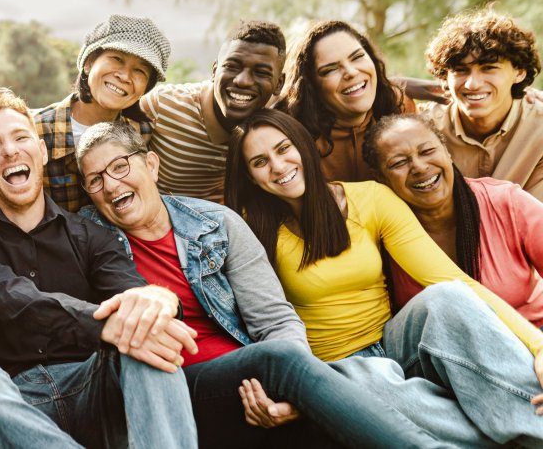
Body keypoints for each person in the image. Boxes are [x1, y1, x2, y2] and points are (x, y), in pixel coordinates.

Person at [74, 120, 443, 448]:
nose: (110, 186)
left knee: (322, 428)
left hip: (249, 385)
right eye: (95, 180)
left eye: (120, 167)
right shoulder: (87, 238)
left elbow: (275, 320)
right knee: (284, 362)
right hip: (166, 390)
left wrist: (287, 399)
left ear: (151, 165)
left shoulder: (217, 223)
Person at [224, 108, 543, 444]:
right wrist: (296, 387)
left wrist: (538, 346)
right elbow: (261, 321)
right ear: (249, 176)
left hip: (396, 342)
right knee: (374, 382)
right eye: (259, 162)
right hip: (334, 367)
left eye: (283, 148)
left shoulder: (371, 198)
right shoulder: (250, 229)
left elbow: (450, 279)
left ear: (302, 145)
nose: (278, 166)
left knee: (447, 297)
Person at [0, 91, 197, 448]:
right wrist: (106, 325)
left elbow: (133, 292)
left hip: (92, 386)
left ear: (41, 152)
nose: (11, 151)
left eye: (20, 137)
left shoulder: (91, 235)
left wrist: (157, 300)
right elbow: (9, 296)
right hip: (11, 399)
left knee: (144, 335)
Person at [363, 113, 543, 325]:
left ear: (447, 152)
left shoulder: (505, 201)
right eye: (399, 162)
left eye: (428, 151)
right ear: (381, 178)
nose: (419, 167)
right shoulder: (377, 234)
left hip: (532, 337)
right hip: (441, 353)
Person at [34, 14, 170, 212]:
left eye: (140, 71)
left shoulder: (142, 132)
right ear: (88, 63)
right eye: (117, 59)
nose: (124, 76)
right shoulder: (36, 129)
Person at [139, 20, 285, 203]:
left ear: (279, 83)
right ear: (215, 71)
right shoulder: (162, 106)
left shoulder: (276, 131)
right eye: (232, 66)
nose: (243, 81)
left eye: (261, 72)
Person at [421, 9, 543, 201]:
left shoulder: (538, 128)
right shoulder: (424, 128)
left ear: (519, 72)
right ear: (445, 77)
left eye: (489, 68)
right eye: (461, 70)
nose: (472, 84)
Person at [281, 20, 416, 182]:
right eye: (330, 69)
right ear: (310, 85)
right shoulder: (290, 136)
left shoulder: (399, 105)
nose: (351, 72)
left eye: (358, 57)